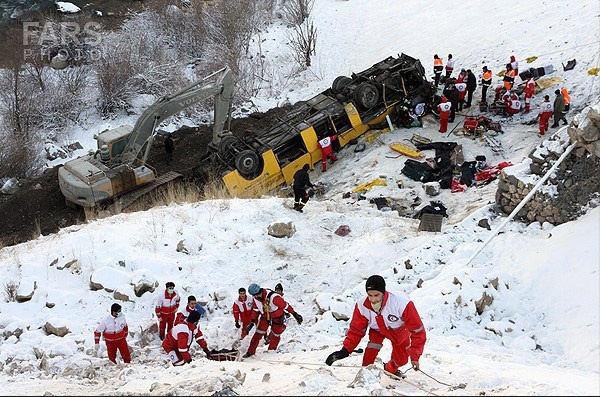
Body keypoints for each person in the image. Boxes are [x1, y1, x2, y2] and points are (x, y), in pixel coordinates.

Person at [324, 275, 426, 377]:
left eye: (376, 295)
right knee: (371, 349)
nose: (373, 299)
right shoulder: (361, 306)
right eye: (370, 295)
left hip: (398, 331)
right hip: (376, 329)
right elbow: (356, 330)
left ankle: (390, 369)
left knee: (402, 360)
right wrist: (345, 350)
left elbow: (418, 331)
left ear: (384, 292)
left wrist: (415, 357)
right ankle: (366, 375)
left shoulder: (402, 303)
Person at [242, 283, 303, 358]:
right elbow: (256, 310)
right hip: (265, 316)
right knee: (258, 333)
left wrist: (295, 314)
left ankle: (271, 351)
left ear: (259, 292)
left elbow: (286, 306)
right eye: (254, 295)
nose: (255, 297)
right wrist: (252, 322)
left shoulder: (274, 297)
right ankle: (250, 352)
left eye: (256, 295)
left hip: (277, 317)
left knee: (275, 334)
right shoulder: (255, 298)